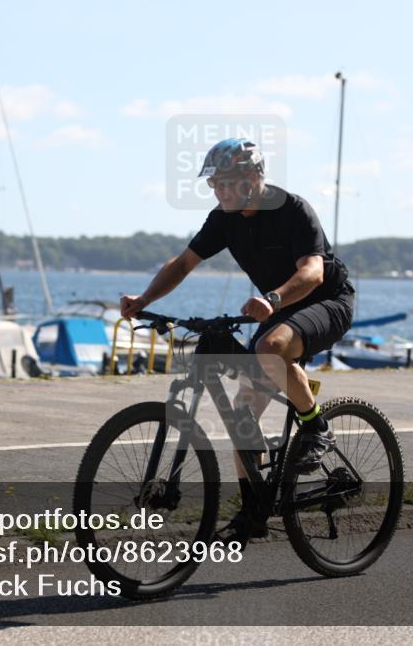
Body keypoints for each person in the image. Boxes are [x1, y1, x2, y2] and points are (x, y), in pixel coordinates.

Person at [120, 137, 354, 543]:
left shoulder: (292, 209)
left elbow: (313, 272)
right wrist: (144, 299)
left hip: (326, 301)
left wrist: (273, 298)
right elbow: (184, 263)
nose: (219, 191)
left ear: (253, 178)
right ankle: (253, 515)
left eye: (226, 183)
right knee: (242, 415)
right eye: (214, 185)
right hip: (276, 310)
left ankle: (316, 427)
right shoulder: (224, 218)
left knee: (269, 347)